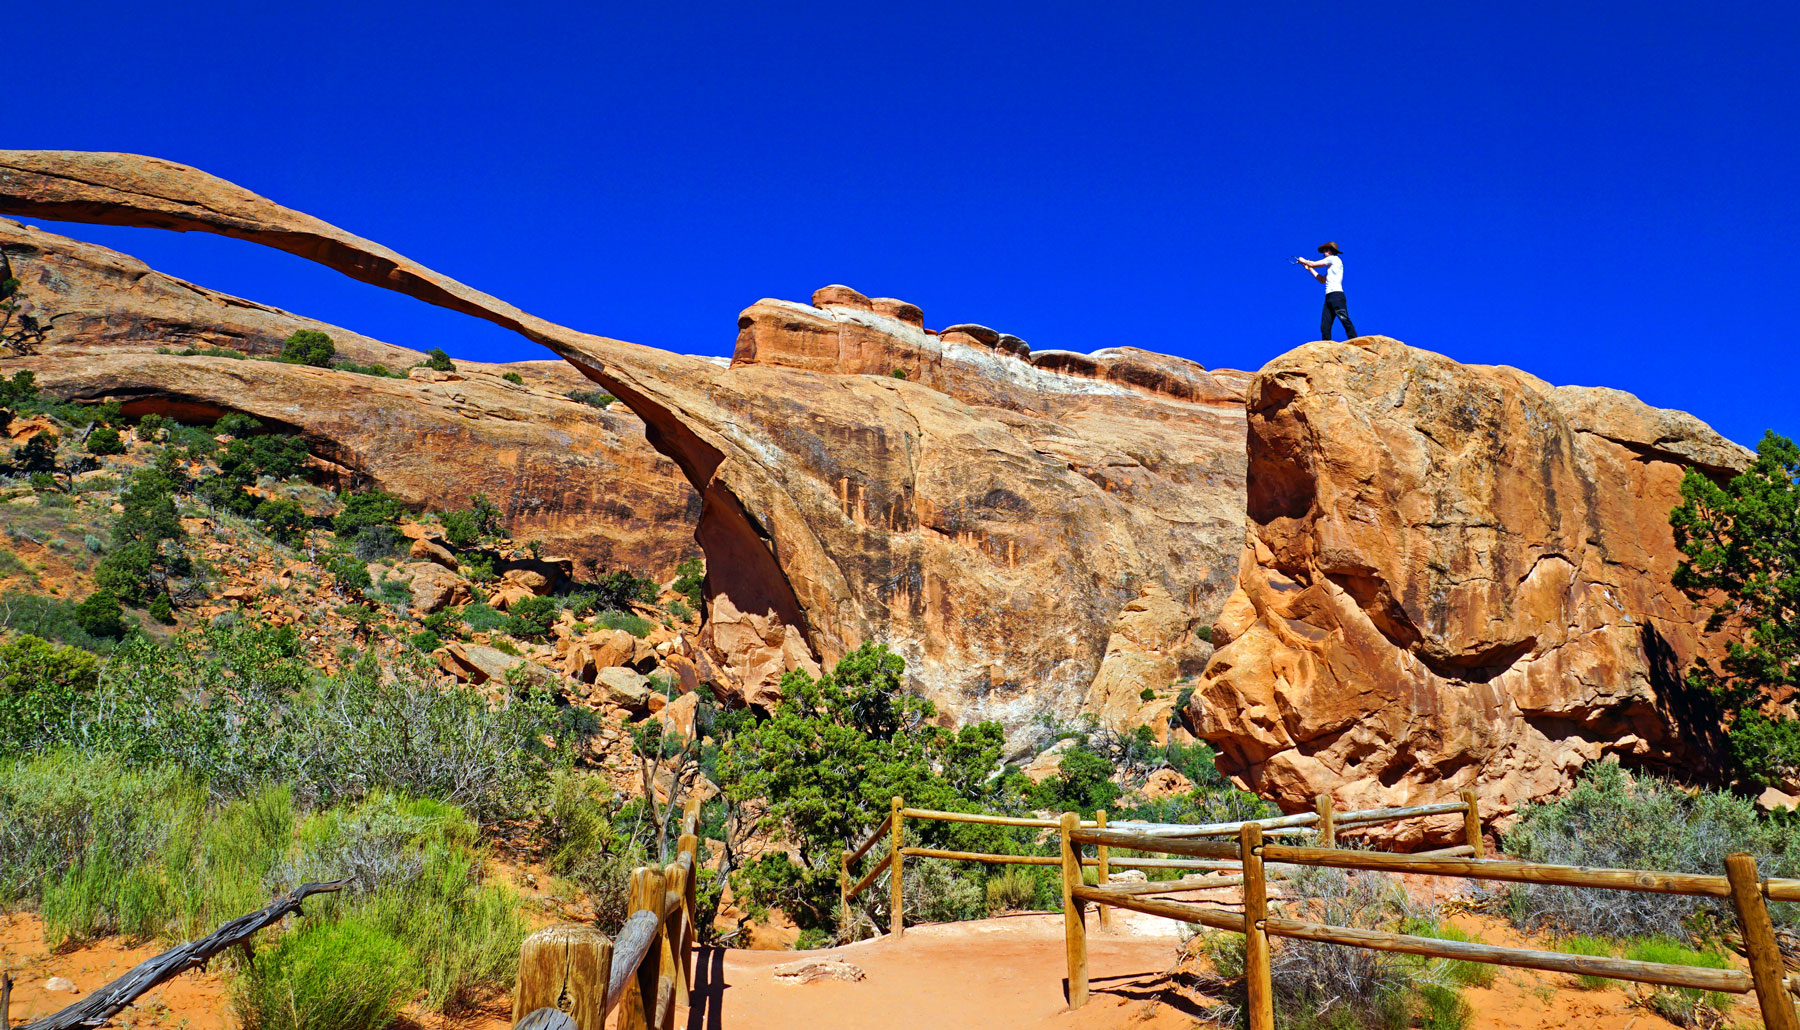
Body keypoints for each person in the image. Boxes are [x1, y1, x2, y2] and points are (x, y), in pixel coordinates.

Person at [1295, 242, 1357, 340]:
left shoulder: (1333, 259)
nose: (1325, 252)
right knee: (1325, 325)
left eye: (1327, 250)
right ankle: (1326, 345)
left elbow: (1313, 263)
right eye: (1324, 250)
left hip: (1336, 295)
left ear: (1332, 251)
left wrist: (1303, 260)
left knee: (1344, 318)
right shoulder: (1331, 267)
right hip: (1329, 296)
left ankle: (1354, 339)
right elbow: (1322, 280)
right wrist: (1310, 269)